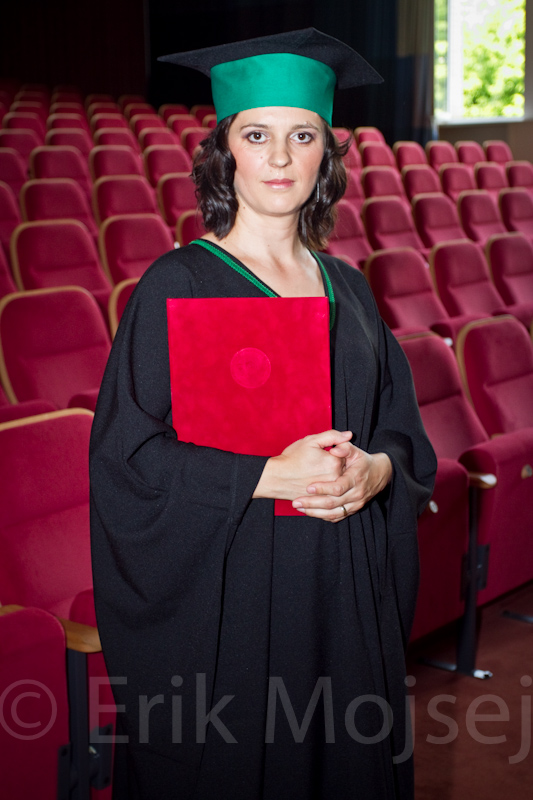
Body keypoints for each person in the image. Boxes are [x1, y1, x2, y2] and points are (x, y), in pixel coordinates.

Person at [90, 28, 437, 800]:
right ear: (224, 151)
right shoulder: (178, 284)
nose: (279, 157)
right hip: (234, 597)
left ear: (326, 156)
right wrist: (263, 476)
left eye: (302, 136)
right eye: (256, 136)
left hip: (342, 589)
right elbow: (128, 458)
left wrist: (377, 472)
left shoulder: (350, 288)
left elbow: (399, 428)